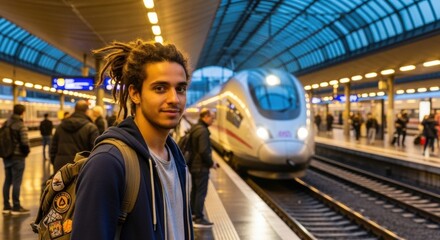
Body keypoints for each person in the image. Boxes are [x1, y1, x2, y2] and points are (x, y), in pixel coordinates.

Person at [71, 39, 194, 239]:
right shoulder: (108, 163)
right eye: (160, 88)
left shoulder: (175, 157)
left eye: (180, 88)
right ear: (135, 94)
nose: (174, 99)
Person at [50, 100, 99, 173]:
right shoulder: (91, 128)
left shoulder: (61, 126)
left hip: (61, 168)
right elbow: (94, 151)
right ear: (87, 111)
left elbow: (53, 148)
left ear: (75, 110)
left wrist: (55, 162)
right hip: (81, 168)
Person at [189, 108, 218, 228]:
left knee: (195, 191)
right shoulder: (203, 131)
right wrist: (211, 163)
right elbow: (204, 151)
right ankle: (199, 219)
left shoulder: (195, 128)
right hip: (200, 166)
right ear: (205, 117)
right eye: (212, 118)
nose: (213, 120)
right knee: (201, 192)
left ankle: (192, 214)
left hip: (193, 165)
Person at [2, 104, 30, 215]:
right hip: (18, 157)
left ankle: (6, 206)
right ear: (22, 112)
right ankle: (16, 207)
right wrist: (26, 152)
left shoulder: (6, 123)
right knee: (16, 182)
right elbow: (24, 142)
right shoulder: (20, 124)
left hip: (6, 155)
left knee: (7, 181)